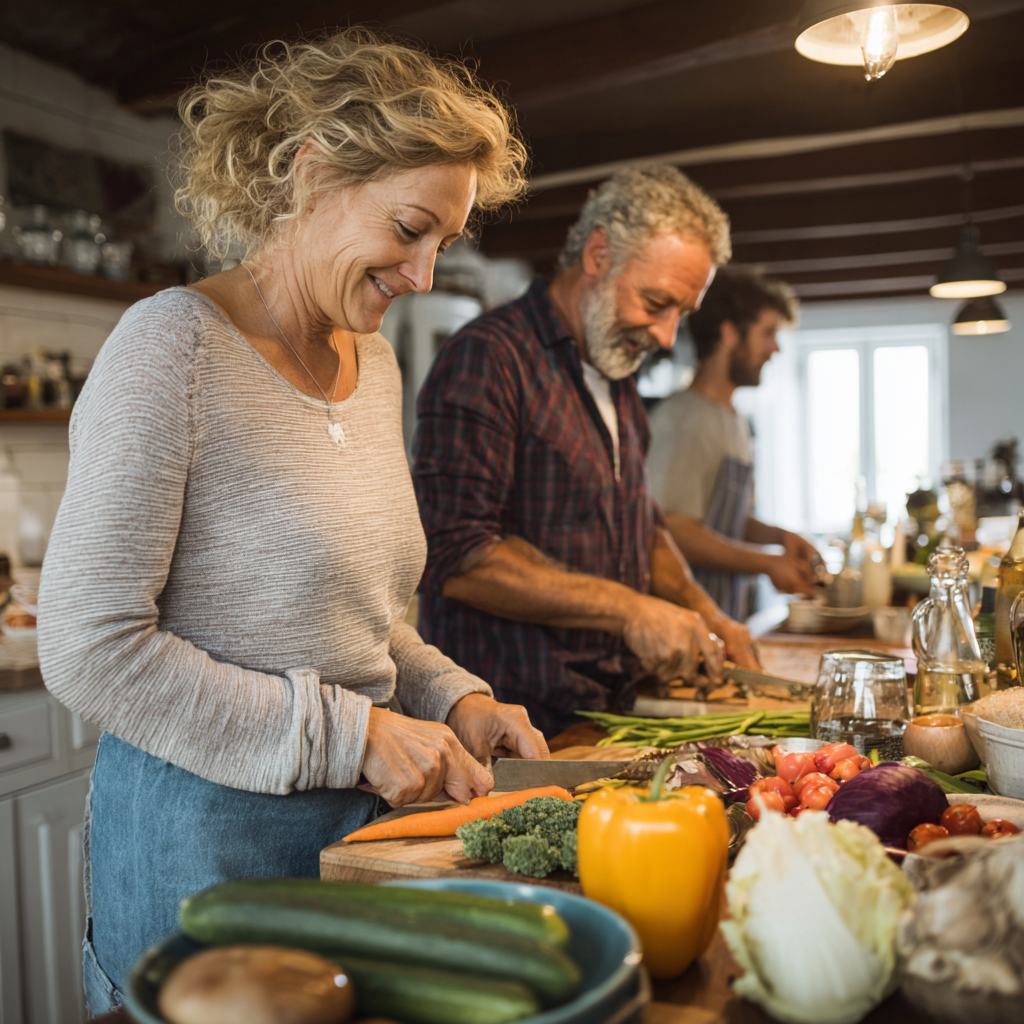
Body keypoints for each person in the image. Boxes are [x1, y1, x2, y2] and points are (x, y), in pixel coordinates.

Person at [36, 30, 547, 1012]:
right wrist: (352, 735)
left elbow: (360, 612)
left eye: (444, 241)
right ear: (313, 175)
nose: (424, 274)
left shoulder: (373, 364)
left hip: (353, 840)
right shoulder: (171, 349)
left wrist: (451, 696)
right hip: (204, 850)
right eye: (408, 228)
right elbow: (88, 646)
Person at [413, 166, 760, 738]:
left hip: (602, 714)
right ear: (598, 255)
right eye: (656, 302)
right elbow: (455, 558)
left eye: (683, 314)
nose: (669, 336)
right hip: (509, 729)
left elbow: (642, 528)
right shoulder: (489, 359)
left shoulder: (617, 375)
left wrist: (707, 614)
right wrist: (629, 609)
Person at [647, 267, 818, 621]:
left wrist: (780, 538)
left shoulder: (734, 420)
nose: (775, 349)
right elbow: (675, 530)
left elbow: (726, 519)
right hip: (682, 623)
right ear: (728, 333)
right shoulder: (683, 418)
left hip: (723, 618)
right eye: (767, 333)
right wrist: (767, 562)